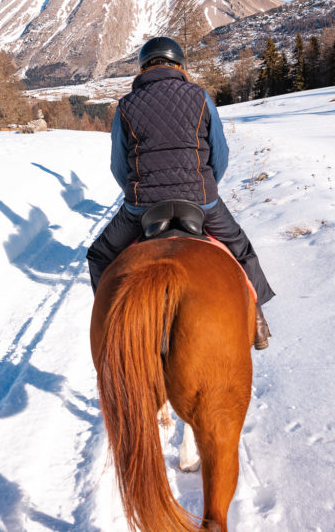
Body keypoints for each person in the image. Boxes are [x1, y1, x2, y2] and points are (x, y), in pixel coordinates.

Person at [86, 36, 274, 349]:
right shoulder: (200, 96)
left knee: (100, 254)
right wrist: (206, 187)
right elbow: (220, 154)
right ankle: (257, 321)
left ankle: (109, 330)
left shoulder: (126, 106)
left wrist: (137, 191)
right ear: (180, 66)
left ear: (143, 68)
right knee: (239, 248)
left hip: (141, 206)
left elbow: (119, 167)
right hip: (201, 199)